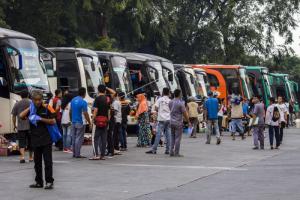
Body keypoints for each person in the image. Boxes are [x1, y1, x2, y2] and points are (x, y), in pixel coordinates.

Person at [19, 90, 56, 189]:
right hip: (35, 139)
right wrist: (30, 107)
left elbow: (53, 121)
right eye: (35, 100)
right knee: (37, 162)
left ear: (42, 99)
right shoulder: (31, 109)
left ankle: (49, 182)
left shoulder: (47, 107)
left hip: (46, 139)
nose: (38, 102)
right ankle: (39, 182)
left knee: (48, 162)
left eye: (39, 100)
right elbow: (21, 116)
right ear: (32, 100)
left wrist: (40, 119)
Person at [91, 85, 115, 160]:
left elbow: (95, 110)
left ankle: (96, 155)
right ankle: (102, 155)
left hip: (97, 121)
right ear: (105, 91)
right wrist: (108, 119)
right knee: (104, 138)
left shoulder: (97, 99)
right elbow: (109, 111)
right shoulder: (108, 99)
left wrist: (92, 120)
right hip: (105, 121)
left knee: (95, 138)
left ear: (98, 90)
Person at [146, 87, 171, 154]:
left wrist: (160, 111)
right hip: (168, 119)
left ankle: (154, 149)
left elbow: (156, 107)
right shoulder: (170, 100)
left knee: (158, 134)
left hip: (161, 119)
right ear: (169, 93)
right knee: (168, 135)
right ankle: (168, 150)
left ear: (162, 92)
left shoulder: (160, 99)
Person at [70, 87, 92, 158]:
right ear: (84, 93)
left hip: (73, 121)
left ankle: (74, 153)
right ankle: (77, 154)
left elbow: (70, 111)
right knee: (79, 138)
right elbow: (86, 113)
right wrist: (89, 122)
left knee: (74, 137)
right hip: (80, 122)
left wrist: (71, 119)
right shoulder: (83, 102)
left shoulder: (73, 100)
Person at [11, 90, 33, 163]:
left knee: (21, 142)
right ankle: (30, 157)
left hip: (21, 127)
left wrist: (14, 125)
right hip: (31, 126)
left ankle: (22, 157)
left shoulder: (17, 104)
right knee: (31, 142)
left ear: (20, 96)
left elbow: (13, 116)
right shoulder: (31, 102)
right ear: (28, 95)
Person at [169, 89, 190, 157]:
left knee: (172, 137)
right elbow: (185, 113)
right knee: (178, 138)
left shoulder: (170, 102)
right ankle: (176, 153)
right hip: (178, 122)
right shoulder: (181, 103)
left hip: (171, 122)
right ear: (179, 94)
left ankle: (171, 151)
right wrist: (188, 121)